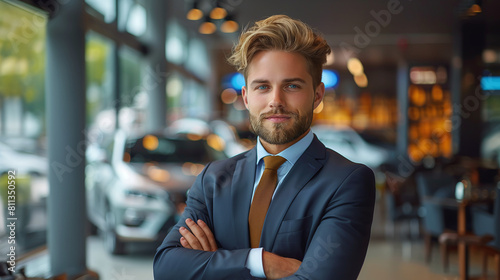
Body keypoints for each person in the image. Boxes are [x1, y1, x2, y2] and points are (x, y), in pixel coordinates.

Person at [153, 15, 375, 280]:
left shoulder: (347, 182)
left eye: (292, 86)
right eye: (263, 87)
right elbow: (166, 267)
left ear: (317, 95)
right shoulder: (212, 179)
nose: (275, 101)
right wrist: (259, 261)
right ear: (246, 97)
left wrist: (212, 263)